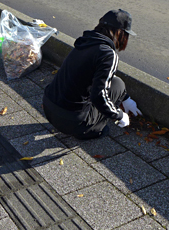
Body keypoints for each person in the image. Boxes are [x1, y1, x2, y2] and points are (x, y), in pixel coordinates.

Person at [43, 9, 142, 140]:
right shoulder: (108, 54)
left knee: (116, 82)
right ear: (120, 33)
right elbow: (98, 95)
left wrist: (126, 99)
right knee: (118, 85)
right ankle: (91, 129)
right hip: (71, 122)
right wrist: (119, 115)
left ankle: (80, 122)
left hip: (49, 108)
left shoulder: (85, 41)